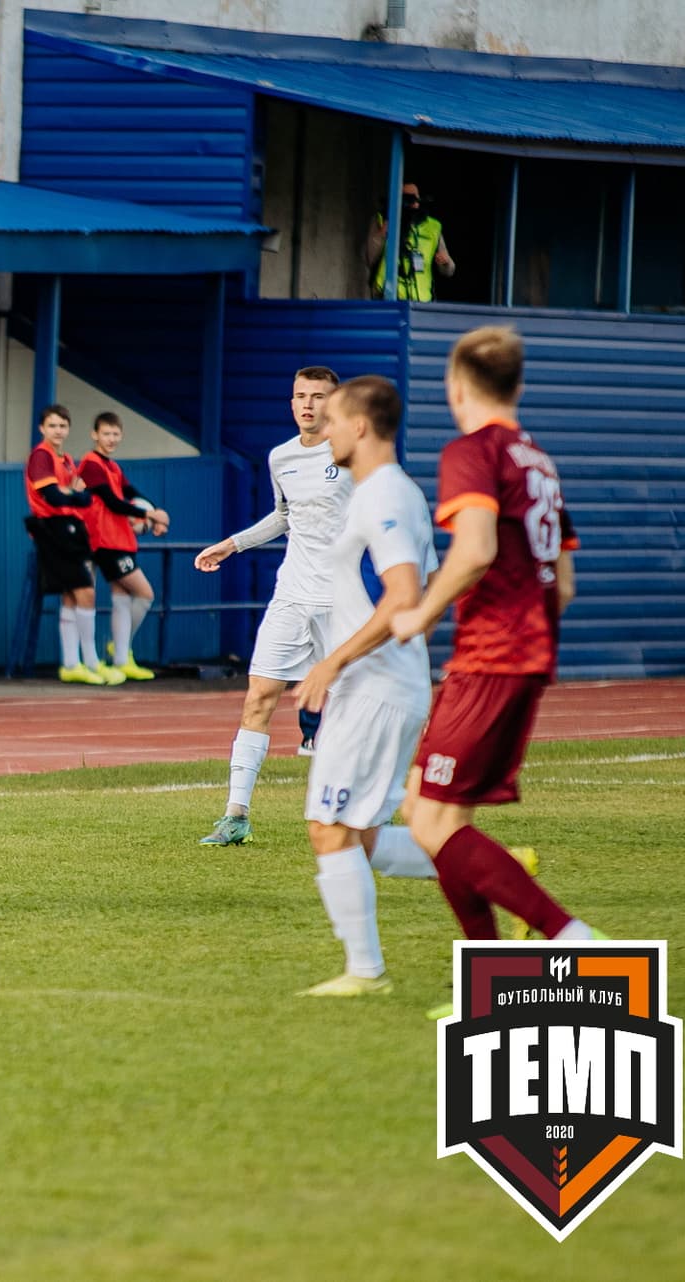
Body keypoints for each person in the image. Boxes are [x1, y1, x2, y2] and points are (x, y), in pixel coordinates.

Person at [390, 326, 600, 1015]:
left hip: (492, 656)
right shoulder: (537, 458)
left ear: (456, 387)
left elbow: (475, 548)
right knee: (426, 809)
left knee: (433, 825)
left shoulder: (473, 451)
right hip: (520, 653)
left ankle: (571, 939)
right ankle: (489, 988)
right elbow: (563, 582)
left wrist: (419, 616)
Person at [287, 376, 440, 997]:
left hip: (374, 686)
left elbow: (404, 597)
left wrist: (333, 661)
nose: (321, 428)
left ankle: (365, 972)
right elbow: (422, 587)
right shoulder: (385, 492)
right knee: (364, 837)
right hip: (380, 684)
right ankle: (495, 872)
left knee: (328, 826)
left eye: (333, 417)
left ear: (360, 427)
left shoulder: (382, 495)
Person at [193, 366, 352, 846]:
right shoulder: (281, 456)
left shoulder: (354, 454)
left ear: (335, 402)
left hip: (342, 602)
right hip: (291, 597)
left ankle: (361, 809)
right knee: (259, 696)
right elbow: (284, 516)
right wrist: (232, 544)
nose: (307, 404)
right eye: (299, 396)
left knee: (351, 708)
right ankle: (235, 815)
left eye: (317, 396)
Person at [21, 404, 150, 685]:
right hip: (55, 529)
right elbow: (56, 497)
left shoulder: (67, 459)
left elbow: (80, 495)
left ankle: (73, 663)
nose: (58, 431)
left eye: (62, 426)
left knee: (72, 596)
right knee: (86, 593)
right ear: (42, 428)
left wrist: (73, 494)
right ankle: (91, 662)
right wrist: (75, 495)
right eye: (52, 425)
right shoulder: (41, 457)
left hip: (71, 529)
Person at [75, 412, 170, 681]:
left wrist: (155, 511)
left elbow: (131, 493)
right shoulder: (91, 465)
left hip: (118, 538)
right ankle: (114, 649)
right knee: (144, 593)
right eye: (106, 433)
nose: (111, 439)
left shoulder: (113, 467)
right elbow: (111, 502)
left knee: (122, 598)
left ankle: (121, 658)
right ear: (95, 434)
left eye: (116, 434)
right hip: (104, 541)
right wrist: (149, 516)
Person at [365, 182, 454, 302]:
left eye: (415, 198)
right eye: (406, 199)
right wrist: (382, 233)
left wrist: (445, 262)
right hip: (388, 298)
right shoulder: (383, 219)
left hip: (421, 301)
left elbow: (449, 270)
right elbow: (370, 258)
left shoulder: (433, 227)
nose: (412, 203)